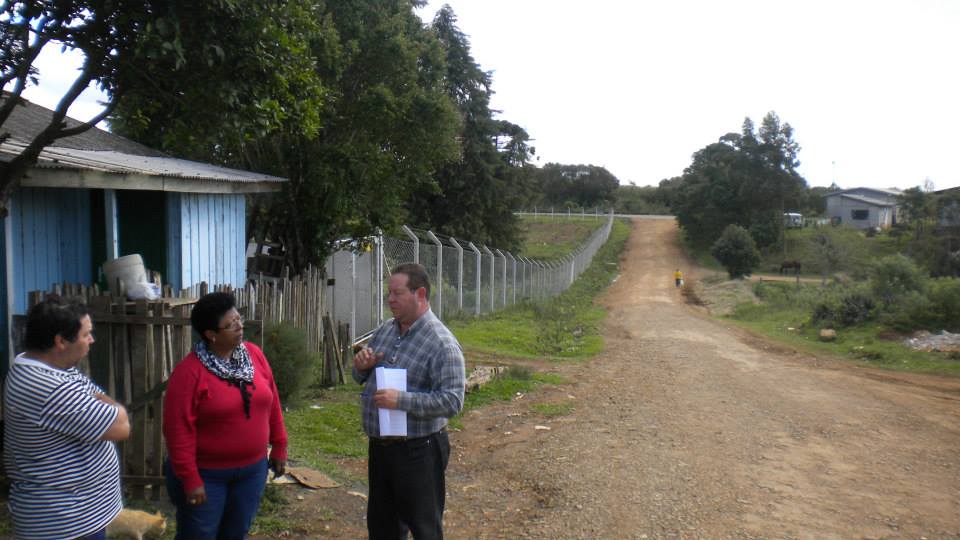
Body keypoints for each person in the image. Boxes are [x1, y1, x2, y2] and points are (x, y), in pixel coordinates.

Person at [353, 263, 466, 540]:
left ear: (420, 294)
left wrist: (402, 401)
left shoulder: (442, 344)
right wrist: (362, 367)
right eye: (389, 293)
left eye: (397, 293)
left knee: (424, 529)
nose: (390, 299)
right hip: (382, 449)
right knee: (383, 528)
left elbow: (452, 401)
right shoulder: (386, 331)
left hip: (419, 452)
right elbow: (360, 376)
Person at [2, 296, 130, 540]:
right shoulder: (51, 387)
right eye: (86, 334)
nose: (92, 340)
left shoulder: (42, 367)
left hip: (72, 514)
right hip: (65, 522)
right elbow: (121, 426)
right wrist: (117, 409)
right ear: (60, 341)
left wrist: (101, 402)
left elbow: (95, 395)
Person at [163, 292, 288, 540]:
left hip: (252, 471)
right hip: (207, 475)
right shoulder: (189, 373)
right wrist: (190, 478)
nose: (239, 326)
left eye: (239, 319)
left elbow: (271, 402)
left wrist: (280, 445)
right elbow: (178, 430)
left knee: (236, 533)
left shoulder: (253, 355)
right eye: (230, 324)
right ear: (211, 334)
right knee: (199, 534)